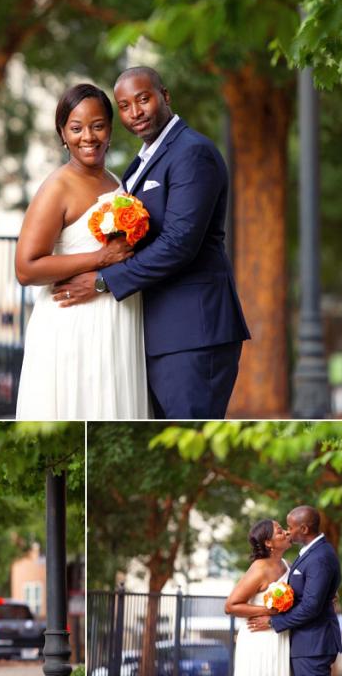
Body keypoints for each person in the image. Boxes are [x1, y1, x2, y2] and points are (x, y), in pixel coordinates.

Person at [52, 66, 250, 419]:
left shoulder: (192, 153)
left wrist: (102, 282)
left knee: (189, 440)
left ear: (165, 96)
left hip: (192, 333)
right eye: (125, 106)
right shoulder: (139, 164)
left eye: (143, 99)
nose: (135, 113)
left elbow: (179, 243)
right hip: (156, 333)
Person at [15, 83, 151, 419]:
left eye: (97, 126)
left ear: (110, 129)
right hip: (74, 323)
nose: (87, 137)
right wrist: (100, 259)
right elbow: (25, 268)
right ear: (62, 134)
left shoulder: (117, 181)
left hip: (119, 322)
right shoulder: (56, 187)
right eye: (76, 128)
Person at [248, 506, 342, 676]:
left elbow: (310, 607)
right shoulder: (311, 552)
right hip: (307, 643)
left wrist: (272, 622)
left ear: (304, 529)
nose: (288, 532)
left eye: (290, 527)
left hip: (314, 644)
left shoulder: (319, 557)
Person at [225, 519, 292, 676]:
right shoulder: (259, 569)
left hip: (280, 634)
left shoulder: (287, 564)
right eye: (280, 531)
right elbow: (230, 606)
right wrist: (270, 611)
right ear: (269, 542)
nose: (287, 532)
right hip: (259, 637)